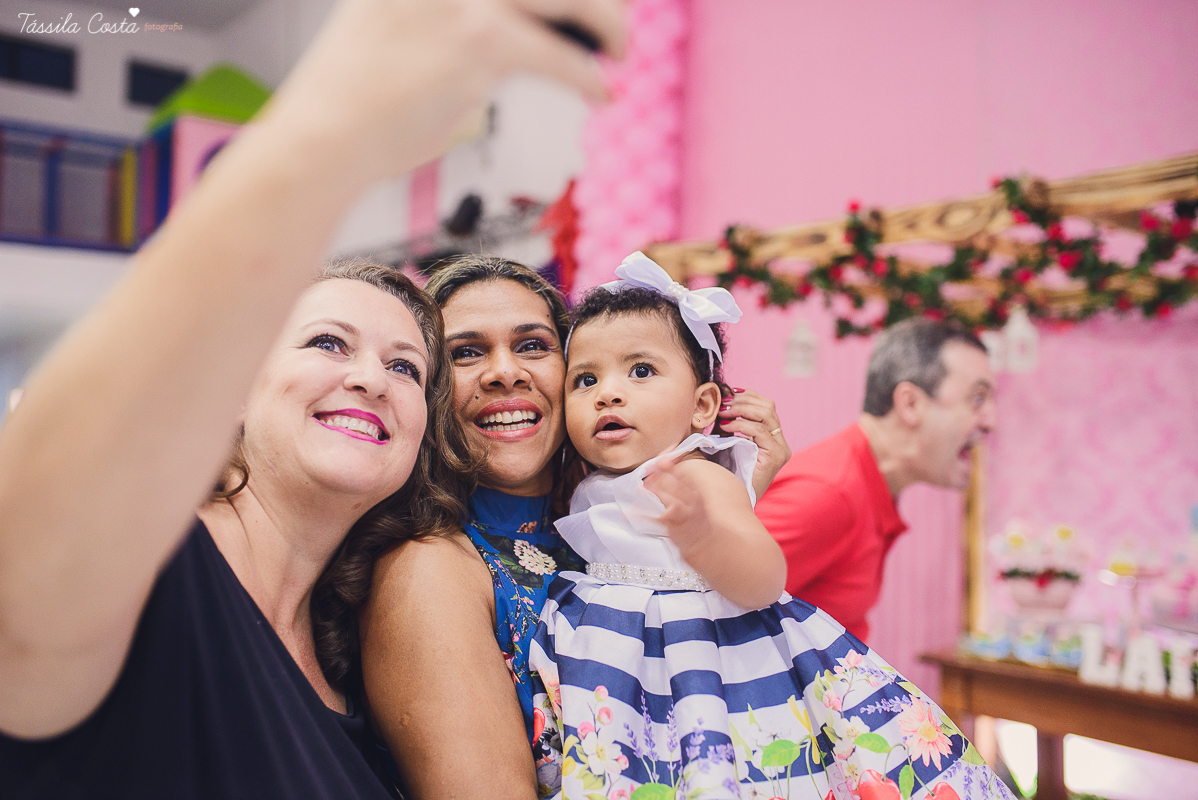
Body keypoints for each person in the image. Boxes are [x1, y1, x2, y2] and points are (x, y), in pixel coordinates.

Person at [0, 1, 627, 796]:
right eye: (328, 343)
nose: (371, 377)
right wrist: (331, 126)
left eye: (406, 368)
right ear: (230, 391)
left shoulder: (348, 677)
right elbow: (32, 535)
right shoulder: (151, 576)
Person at [526, 253, 1013, 800]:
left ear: (703, 405)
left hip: (695, 668)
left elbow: (762, 579)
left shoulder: (699, 475)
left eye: (641, 371)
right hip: (611, 660)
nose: (607, 393)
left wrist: (704, 536)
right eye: (585, 379)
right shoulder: (581, 483)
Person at [352, 256, 793, 800]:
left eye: (533, 345)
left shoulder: (588, 526)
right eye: (466, 353)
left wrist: (731, 492)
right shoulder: (428, 569)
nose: (505, 372)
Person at [755, 318, 997, 643]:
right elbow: (702, 605)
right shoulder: (829, 493)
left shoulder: (867, 483)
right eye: (977, 399)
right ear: (910, 403)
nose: (991, 421)